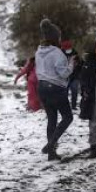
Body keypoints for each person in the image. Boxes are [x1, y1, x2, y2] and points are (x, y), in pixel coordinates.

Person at [35, 18, 74, 161]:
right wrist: (71, 64)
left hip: (42, 88)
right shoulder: (57, 53)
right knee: (68, 117)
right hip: (55, 88)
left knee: (52, 119)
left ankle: (51, 154)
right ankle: (50, 145)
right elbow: (63, 73)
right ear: (55, 37)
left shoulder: (39, 51)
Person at [61, 40, 82, 110]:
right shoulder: (61, 55)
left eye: (69, 48)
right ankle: (65, 106)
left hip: (75, 76)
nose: (68, 49)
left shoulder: (76, 55)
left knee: (74, 91)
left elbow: (80, 65)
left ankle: (73, 106)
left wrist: (77, 65)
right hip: (65, 77)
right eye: (66, 48)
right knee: (64, 92)